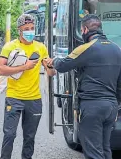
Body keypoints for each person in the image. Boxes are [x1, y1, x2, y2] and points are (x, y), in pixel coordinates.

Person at [44, 14, 121, 159]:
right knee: (105, 149)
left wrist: (52, 61)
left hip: (92, 107)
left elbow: (63, 65)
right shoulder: (117, 49)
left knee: (93, 152)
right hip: (111, 107)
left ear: (85, 30)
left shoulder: (85, 48)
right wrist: (116, 105)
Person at [0, 14, 56, 159]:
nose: (30, 31)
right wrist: (25, 66)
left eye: (32, 28)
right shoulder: (10, 47)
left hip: (34, 99)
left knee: (29, 137)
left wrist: (50, 66)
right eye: (26, 29)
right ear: (20, 30)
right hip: (14, 97)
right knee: (9, 135)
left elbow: (51, 73)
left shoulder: (40, 47)